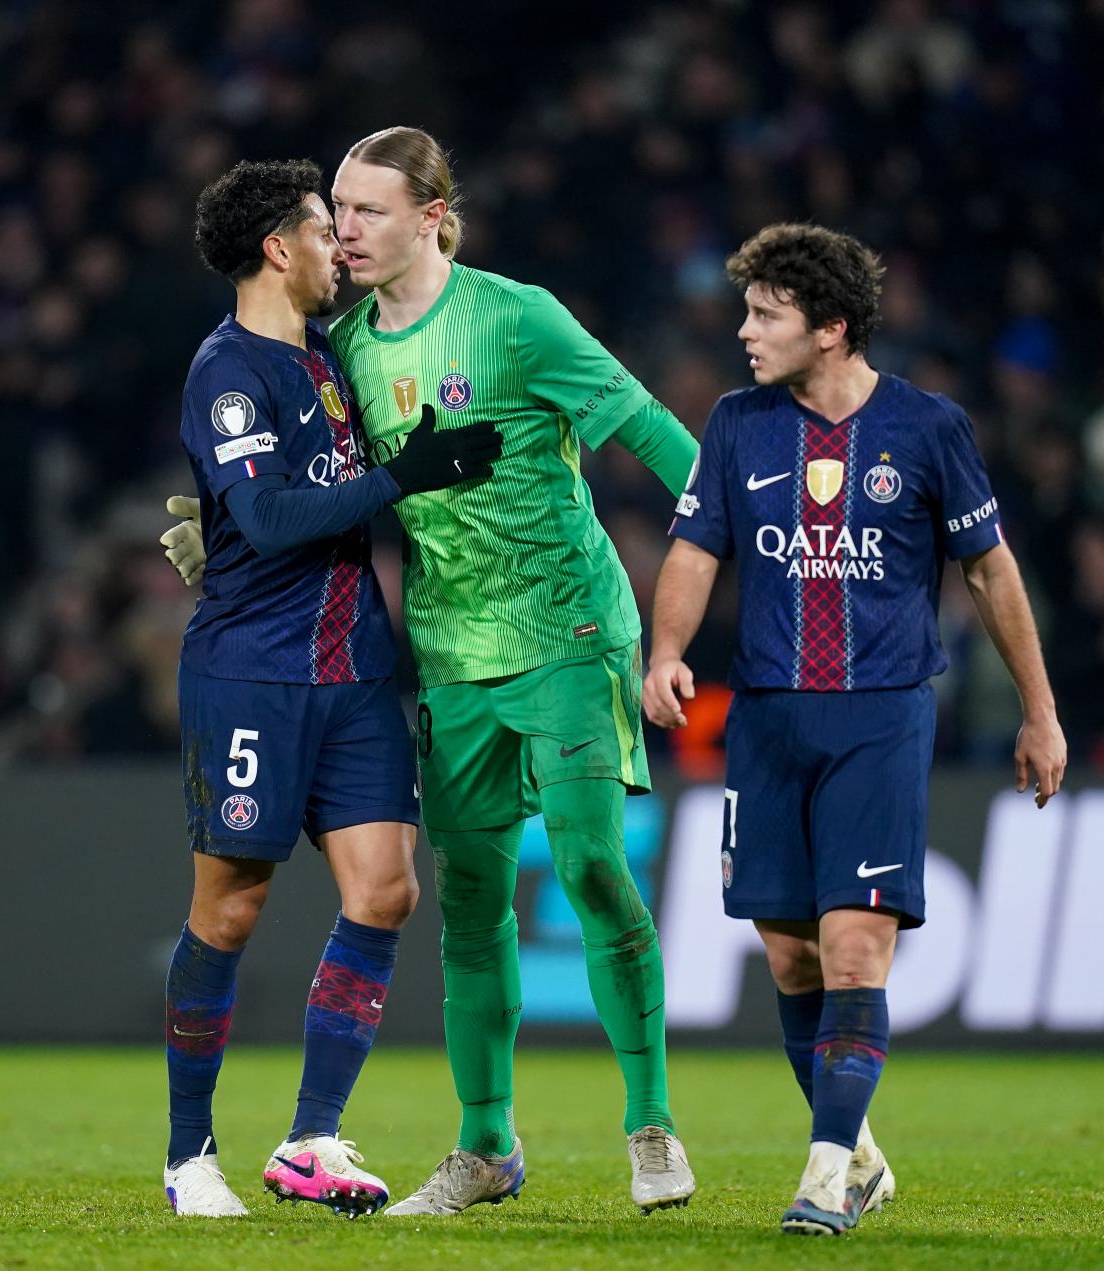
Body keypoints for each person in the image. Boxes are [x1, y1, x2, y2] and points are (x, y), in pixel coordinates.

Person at [166, 126, 702, 1215]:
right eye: (335, 214)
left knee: (587, 869)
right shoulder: (341, 346)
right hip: (442, 655)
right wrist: (221, 534)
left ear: (432, 218)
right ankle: (475, 1145)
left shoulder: (516, 318)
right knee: (457, 900)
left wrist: (733, 537)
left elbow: (650, 430)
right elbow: (295, 484)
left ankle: (648, 1124)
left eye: (363, 211)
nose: (346, 230)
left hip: (560, 632)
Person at [642, 222, 1067, 1235]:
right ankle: (860, 1150)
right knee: (787, 956)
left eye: (765, 315)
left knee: (851, 946)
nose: (743, 330)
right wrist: (664, 652)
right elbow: (697, 550)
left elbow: (989, 569)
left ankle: (824, 1170)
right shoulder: (738, 424)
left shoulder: (927, 429)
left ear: (828, 328)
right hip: (767, 718)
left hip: (879, 716)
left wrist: (1038, 711)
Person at [164, 158, 501, 1218]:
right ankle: (189, 1157)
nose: (338, 246)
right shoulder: (227, 370)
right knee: (230, 907)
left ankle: (310, 1137)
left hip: (354, 668)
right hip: (252, 674)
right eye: (323, 229)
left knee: (386, 890)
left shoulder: (323, 357)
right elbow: (264, 522)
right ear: (277, 247)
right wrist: (405, 476)